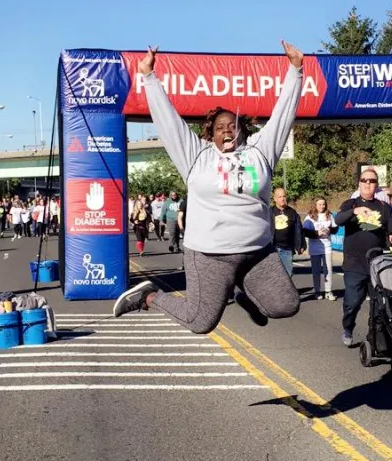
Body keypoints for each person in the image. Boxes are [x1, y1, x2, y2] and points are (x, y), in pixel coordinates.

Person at [112, 42, 303, 333]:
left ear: (242, 129)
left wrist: (296, 70)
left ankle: (246, 296)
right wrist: (148, 77)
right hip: (209, 255)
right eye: (219, 127)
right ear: (209, 134)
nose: (227, 130)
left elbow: (282, 117)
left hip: (257, 252)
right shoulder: (196, 155)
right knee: (199, 322)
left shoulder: (260, 152)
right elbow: (169, 123)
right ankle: (147, 296)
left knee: (286, 305)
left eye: (232, 125)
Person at [335, 168, 392, 347]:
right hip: (354, 263)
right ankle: (348, 327)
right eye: (364, 180)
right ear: (359, 183)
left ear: (376, 185)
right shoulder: (350, 204)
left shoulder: (384, 208)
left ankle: (375, 336)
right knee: (352, 302)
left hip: (378, 264)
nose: (368, 183)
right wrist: (355, 211)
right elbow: (338, 220)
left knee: (379, 304)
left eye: (372, 181)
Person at [303, 197, 338, 301]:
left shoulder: (329, 215)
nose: (322, 206)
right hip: (315, 247)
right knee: (316, 270)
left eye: (323, 204)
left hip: (327, 246)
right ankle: (317, 291)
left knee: (328, 269)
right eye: (319, 204)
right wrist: (316, 233)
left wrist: (329, 230)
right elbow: (305, 231)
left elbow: (335, 229)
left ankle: (328, 291)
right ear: (315, 205)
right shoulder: (310, 217)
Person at [271, 188, 305, 277]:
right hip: (272, 249)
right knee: (273, 275)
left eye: (284, 196)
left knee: (288, 274)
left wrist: (301, 245)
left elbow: (299, 230)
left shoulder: (292, 213)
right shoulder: (269, 212)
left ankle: (284, 291)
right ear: (275, 199)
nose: (282, 199)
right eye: (280, 197)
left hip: (287, 249)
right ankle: (277, 291)